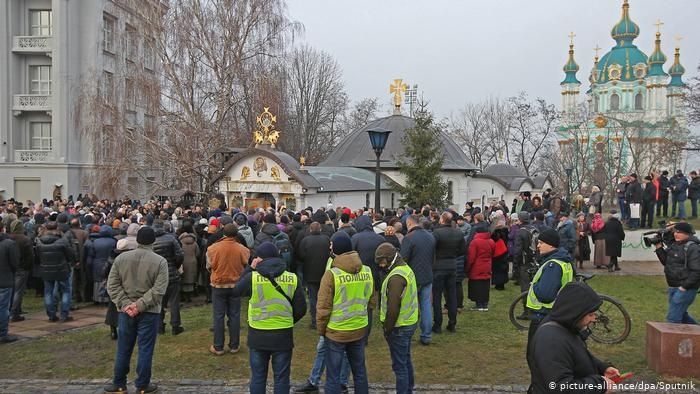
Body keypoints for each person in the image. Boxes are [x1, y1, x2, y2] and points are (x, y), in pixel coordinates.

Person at [231, 242, 306, 394]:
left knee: (258, 377)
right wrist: (288, 320)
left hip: (258, 333)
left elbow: (237, 290)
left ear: (259, 259)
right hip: (283, 334)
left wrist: (250, 268)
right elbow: (301, 309)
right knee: (282, 378)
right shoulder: (292, 278)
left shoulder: (252, 277)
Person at [104, 227, 169, 394]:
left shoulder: (122, 258)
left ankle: (119, 383)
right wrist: (134, 305)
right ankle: (142, 385)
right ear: (153, 241)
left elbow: (112, 285)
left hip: (128, 310)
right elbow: (159, 290)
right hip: (148, 310)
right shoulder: (160, 261)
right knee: (145, 348)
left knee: (124, 347)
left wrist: (127, 305)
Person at [528, 282, 619, 393]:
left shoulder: (567, 326)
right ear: (575, 312)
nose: (594, 319)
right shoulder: (551, 341)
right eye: (590, 314)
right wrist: (599, 384)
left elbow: (576, 354)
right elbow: (561, 387)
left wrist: (602, 367)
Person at [317, 235, 373, 394]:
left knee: (333, 376)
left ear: (337, 250)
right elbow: (371, 300)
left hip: (336, 331)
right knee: (360, 372)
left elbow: (323, 307)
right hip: (359, 327)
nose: (329, 248)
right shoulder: (367, 271)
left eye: (332, 245)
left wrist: (322, 330)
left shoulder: (332, 275)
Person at [376, 243, 418, 394]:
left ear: (389, 259)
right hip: (409, 322)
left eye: (381, 262)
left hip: (399, 326)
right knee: (405, 361)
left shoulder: (395, 278)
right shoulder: (405, 269)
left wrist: (388, 328)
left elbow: (393, 307)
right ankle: (408, 389)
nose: (380, 266)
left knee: (399, 366)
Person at [525, 228, 574, 344]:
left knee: (535, 354)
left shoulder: (553, 264)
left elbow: (545, 295)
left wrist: (535, 284)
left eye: (541, 243)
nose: (538, 246)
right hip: (554, 313)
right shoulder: (562, 260)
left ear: (551, 245)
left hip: (543, 315)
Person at [206, 223, 250, 355]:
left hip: (218, 285)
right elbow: (246, 264)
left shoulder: (212, 249)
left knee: (218, 316)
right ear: (236, 234)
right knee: (235, 315)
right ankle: (234, 345)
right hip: (236, 285)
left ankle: (218, 346)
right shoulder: (242, 249)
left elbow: (208, 266)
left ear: (223, 233)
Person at [399, 214, 436, 345]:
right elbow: (432, 257)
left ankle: (407, 334)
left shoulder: (409, 238)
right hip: (427, 275)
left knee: (410, 307)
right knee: (426, 306)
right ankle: (426, 335)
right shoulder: (430, 236)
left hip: (413, 277)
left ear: (409, 224)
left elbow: (403, 259)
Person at [654, 222, 700, 324]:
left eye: (679, 232)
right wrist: (658, 247)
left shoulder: (693, 248)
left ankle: (671, 340)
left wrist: (684, 287)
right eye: (675, 232)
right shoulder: (675, 244)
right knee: (682, 316)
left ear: (688, 234)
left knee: (673, 319)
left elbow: (697, 271)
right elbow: (666, 262)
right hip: (673, 287)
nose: (675, 234)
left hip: (685, 289)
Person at [35, 221, 76, 322]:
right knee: (65, 291)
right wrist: (72, 261)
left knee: (48, 292)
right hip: (61, 269)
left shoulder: (39, 241)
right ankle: (64, 314)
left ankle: (51, 314)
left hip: (46, 269)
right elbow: (70, 254)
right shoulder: (62, 240)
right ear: (57, 228)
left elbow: (37, 256)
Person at [431, 211, 465, 332]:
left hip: (439, 266)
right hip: (452, 265)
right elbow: (462, 250)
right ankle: (452, 323)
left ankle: (437, 324)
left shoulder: (437, 233)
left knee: (437, 296)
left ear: (442, 220)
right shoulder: (458, 233)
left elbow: (432, 249)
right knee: (451, 295)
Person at [152, 219, 185, 335]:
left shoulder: (151, 241)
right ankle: (175, 325)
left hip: (157, 275)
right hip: (172, 273)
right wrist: (176, 265)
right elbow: (180, 254)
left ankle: (160, 326)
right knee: (174, 301)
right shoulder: (171, 238)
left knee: (159, 302)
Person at [298, 221, 331, 330]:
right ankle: (326, 319)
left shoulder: (305, 241)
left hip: (310, 273)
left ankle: (315, 321)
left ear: (310, 230)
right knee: (325, 297)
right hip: (324, 273)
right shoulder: (326, 239)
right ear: (320, 229)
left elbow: (301, 256)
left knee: (313, 298)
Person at [8, 219, 33, 322]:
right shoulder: (25, 239)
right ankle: (15, 313)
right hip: (22, 268)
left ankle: (13, 310)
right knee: (18, 291)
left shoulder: (8, 238)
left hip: (11, 268)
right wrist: (28, 267)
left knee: (12, 290)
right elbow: (30, 256)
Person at [466, 226, 495, 311]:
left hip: (476, 267)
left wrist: (467, 268)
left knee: (476, 286)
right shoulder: (491, 241)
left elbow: (471, 257)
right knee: (485, 285)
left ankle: (478, 304)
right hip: (487, 266)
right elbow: (493, 253)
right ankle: (485, 304)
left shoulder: (475, 242)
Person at [0, 218, 19, 343]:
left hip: (5, 278)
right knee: (3, 308)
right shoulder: (8, 244)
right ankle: (2, 333)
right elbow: (15, 263)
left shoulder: (8, 243)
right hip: (4, 280)